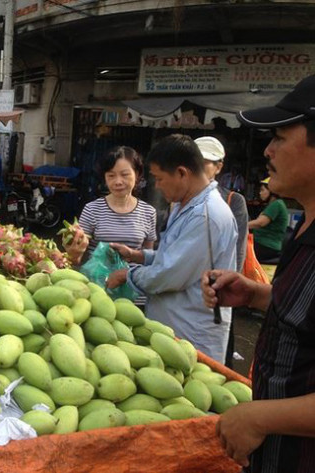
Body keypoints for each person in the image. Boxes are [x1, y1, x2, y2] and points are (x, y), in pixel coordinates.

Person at [202, 74, 315, 472]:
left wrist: (261, 416)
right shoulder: (304, 227)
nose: (267, 151)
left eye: (280, 138)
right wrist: (257, 295)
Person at [106, 134, 237, 362]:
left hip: (192, 335)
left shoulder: (206, 215)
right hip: (172, 330)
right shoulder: (184, 204)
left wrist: (127, 274)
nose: (156, 186)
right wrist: (140, 256)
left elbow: (169, 274)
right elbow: (175, 257)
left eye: (159, 178)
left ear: (181, 173)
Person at [196, 136, 249, 368]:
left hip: (218, 289)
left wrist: (226, 284)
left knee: (217, 358)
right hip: (187, 286)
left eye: (206, 162)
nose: (198, 167)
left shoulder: (232, 201)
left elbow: (237, 252)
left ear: (218, 167)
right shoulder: (178, 200)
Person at [63, 145, 157, 265]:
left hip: (133, 281)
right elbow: (76, 260)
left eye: (125, 174)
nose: (118, 182)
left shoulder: (148, 212)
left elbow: (148, 258)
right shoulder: (92, 210)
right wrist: (73, 255)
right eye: (111, 176)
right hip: (96, 281)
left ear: (137, 174)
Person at [248, 177, 289, 262]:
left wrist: (238, 225)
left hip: (266, 245)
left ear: (272, 191)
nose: (260, 193)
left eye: (262, 190)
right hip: (262, 243)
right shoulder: (272, 205)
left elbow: (260, 223)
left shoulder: (277, 204)